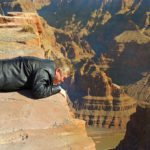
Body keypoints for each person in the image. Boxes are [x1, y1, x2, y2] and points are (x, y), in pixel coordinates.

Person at [0, 56, 73, 99]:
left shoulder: (48, 64)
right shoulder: (45, 70)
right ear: (58, 70)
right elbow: (38, 92)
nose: (62, 80)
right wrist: (58, 89)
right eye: (63, 77)